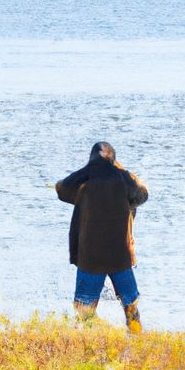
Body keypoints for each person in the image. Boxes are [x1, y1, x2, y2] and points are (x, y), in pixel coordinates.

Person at [56, 141, 148, 332]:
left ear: (91, 160)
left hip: (91, 256)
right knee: (131, 306)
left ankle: (96, 337)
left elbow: (62, 189)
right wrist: (122, 171)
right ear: (114, 160)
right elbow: (142, 195)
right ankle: (137, 339)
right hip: (120, 256)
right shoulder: (124, 178)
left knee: (83, 309)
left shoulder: (85, 176)